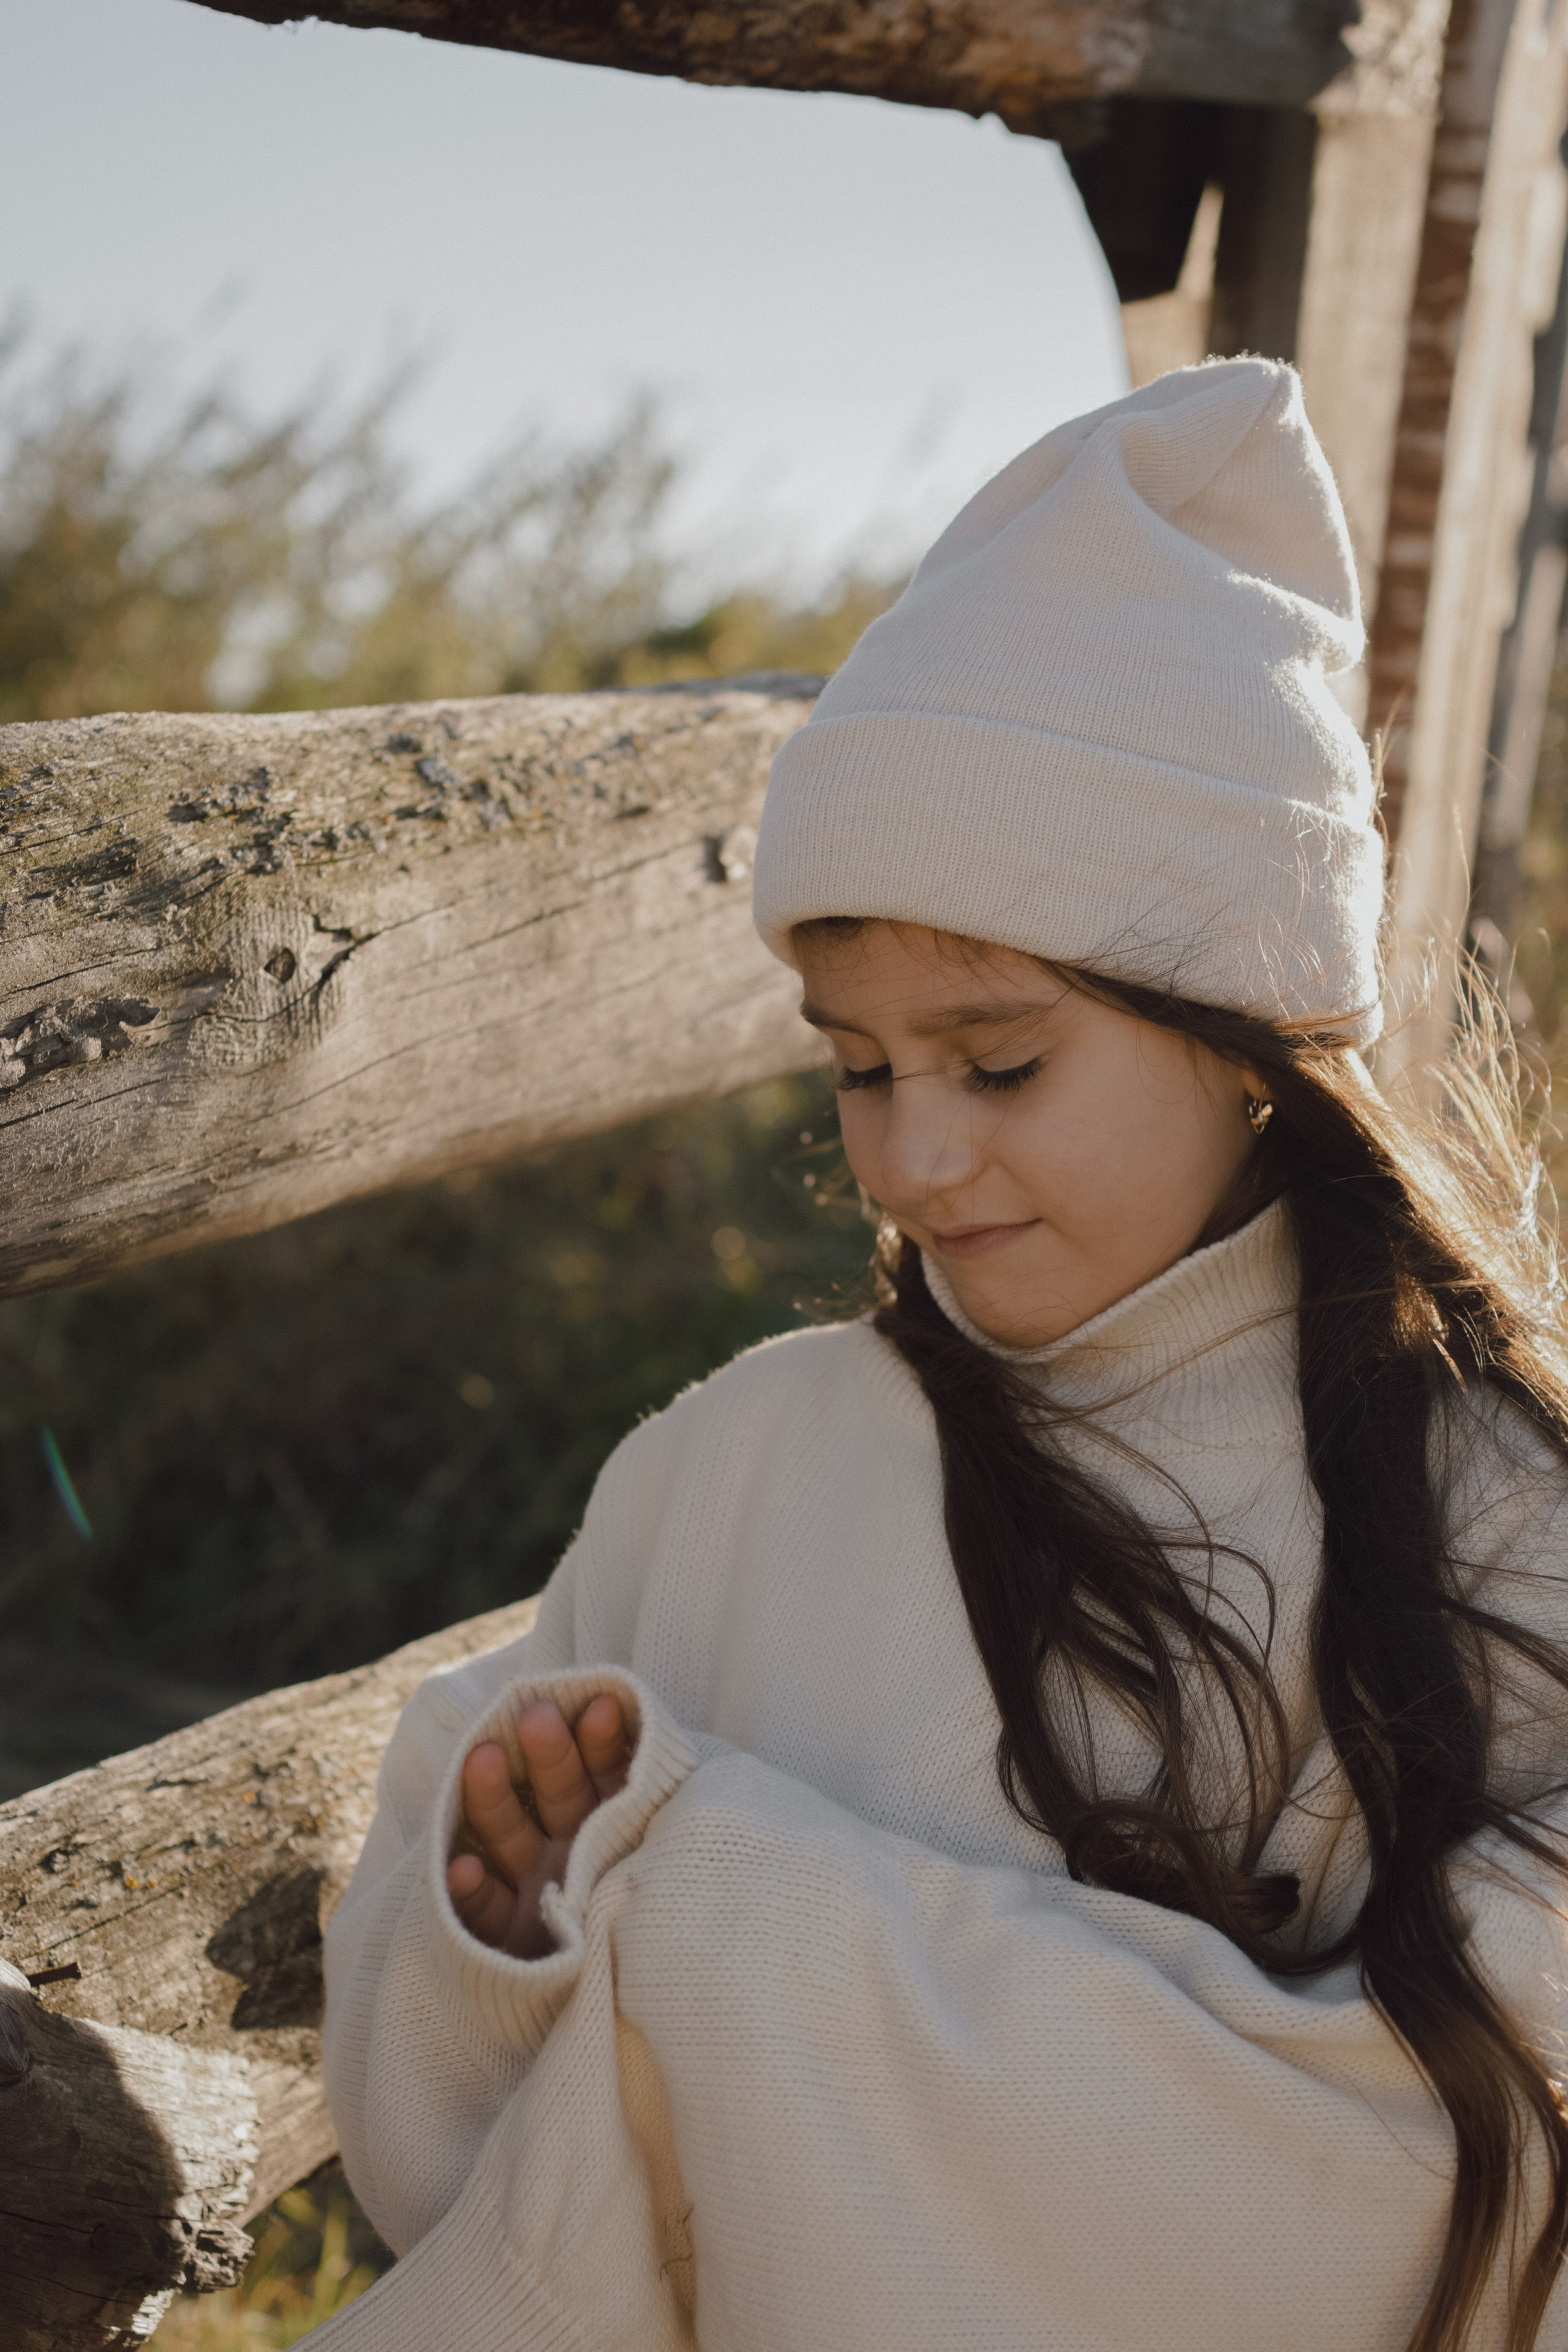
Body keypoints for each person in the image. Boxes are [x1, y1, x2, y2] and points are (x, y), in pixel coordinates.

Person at [314, 360, 1568, 2352]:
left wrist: (728, 1913)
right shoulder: (743, 1465)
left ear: (1251, 1038)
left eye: (999, 1061)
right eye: (860, 1068)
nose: (914, 1152)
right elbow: (436, 2167)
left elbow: (1453, 2173)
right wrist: (506, 1918)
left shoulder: (1494, 1516)